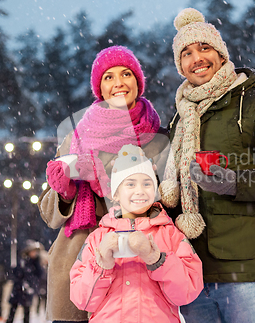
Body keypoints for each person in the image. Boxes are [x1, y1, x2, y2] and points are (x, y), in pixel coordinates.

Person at [163, 8, 255, 322]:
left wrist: (235, 183)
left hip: (243, 270)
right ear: (181, 66)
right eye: (187, 53)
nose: (197, 59)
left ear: (220, 54)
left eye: (204, 48)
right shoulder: (179, 118)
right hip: (192, 273)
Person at [38, 45, 170, 323]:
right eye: (108, 77)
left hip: (133, 264)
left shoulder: (156, 138)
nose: (118, 83)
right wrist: (64, 190)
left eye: (126, 74)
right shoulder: (75, 138)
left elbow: (166, 200)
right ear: (100, 88)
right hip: (77, 263)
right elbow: (49, 215)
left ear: (138, 82)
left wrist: (105, 170)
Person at [70, 144, 203, 322]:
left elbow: (188, 292)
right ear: (116, 194)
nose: (140, 190)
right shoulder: (97, 239)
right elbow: (82, 300)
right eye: (130, 184)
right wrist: (102, 264)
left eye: (147, 183)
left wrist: (156, 258)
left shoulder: (171, 234)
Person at [6, 240, 43, 323]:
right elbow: (16, 273)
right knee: (12, 311)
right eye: (33, 251)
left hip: (28, 291)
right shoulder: (22, 261)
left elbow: (39, 274)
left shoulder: (36, 263)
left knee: (26, 312)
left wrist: (32, 284)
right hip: (18, 289)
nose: (35, 253)